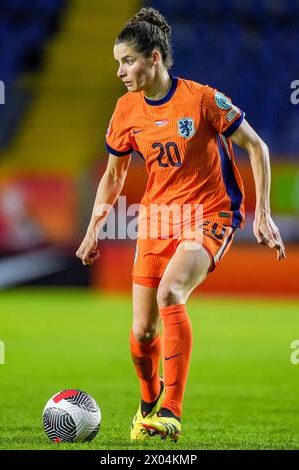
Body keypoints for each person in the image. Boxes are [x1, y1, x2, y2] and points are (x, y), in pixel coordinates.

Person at [76, 7, 286, 442]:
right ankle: (148, 403)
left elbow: (257, 147)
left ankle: (171, 411)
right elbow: (114, 176)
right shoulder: (125, 111)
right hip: (156, 217)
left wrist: (262, 211)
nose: (120, 71)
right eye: (117, 62)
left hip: (211, 212)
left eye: (127, 61)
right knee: (142, 333)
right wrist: (94, 227)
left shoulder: (203, 99)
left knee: (171, 290)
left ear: (154, 58)